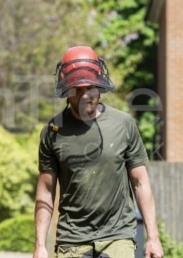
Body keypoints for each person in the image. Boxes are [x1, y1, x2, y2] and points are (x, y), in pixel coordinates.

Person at [32, 46, 164, 258]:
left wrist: (153, 238)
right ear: (67, 90)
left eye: (90, 88)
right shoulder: (53, 131)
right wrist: (40, 245)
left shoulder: (123, 124)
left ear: (100, 86)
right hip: (72, 240)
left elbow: (140, 182)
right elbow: (46, 190)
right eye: (78, 89)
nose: (85, 96)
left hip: (117, 237)